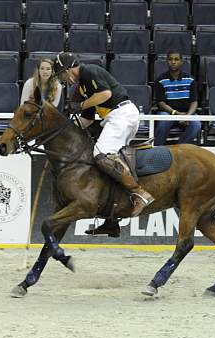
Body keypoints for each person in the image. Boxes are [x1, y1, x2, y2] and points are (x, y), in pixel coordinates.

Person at [53, 52, 154, 220]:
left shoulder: (89, 71)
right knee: (111, 161)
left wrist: (82, 104)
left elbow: (105, 94)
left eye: (61, 74)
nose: (63, 79)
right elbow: (85, 120)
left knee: (100, 154)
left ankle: (140, 193)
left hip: (121, 114)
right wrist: (66, 129)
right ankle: (113, 215)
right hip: (118, 117)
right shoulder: (82, 87)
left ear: (69, 69)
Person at [154, 51, 201, 146]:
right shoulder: (161, 80)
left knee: (196, 124)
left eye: (176, 59)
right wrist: (176, 114)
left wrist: (187, 115)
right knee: (163, 120)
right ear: (167, 61)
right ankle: (157, 149)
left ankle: (178, 149)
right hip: (168, 112)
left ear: (181, 62)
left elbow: (194, 102)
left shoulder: (190, 79)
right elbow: (161, 103)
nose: (173, 62)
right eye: (170, 59)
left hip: (187, 113)